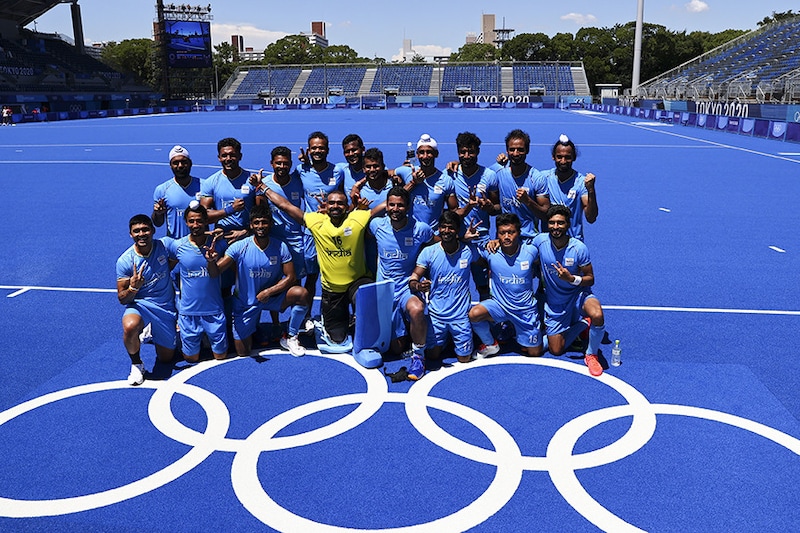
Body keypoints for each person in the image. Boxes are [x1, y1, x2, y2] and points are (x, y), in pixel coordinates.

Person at [263, 187, 384, 345]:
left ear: (347, 207)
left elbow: (389, 204)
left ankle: (360, 321)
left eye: (340, 203)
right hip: (332, 291)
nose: (335, 206)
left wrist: (411, 184)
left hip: (357, 283)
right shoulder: (316, 221)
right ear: (325, 206)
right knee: (338, 338)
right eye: (331, 203)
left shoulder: (357, 218)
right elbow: (286, 206)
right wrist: (262, 188)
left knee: (365, 296)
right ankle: (339, 320)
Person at [215, 204, 311, 357]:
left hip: (270, 299)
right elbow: (216, 270)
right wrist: (210, 261)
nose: (261, 226)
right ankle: (252, 326)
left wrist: (268, 292)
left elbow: (291, 277)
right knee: (243, 352)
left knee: (301, 293)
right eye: (257, 222)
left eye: (264, 222)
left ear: (271, 224)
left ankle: (290, 336)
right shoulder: (239, 246)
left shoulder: (281, 247)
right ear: (251, 225)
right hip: (245, 304)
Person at [369, 186, 434, 379]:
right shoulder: (377, 225)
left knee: (417, 309)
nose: (395, 209)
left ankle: (419, 357)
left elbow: (437, 245)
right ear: (386, 206)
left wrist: (425, 274)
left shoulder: (421, 229)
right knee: (395, 349)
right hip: (384, 290)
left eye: (400, 205)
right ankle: (403, 330)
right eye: (391, 205)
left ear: (408, 207)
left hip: (407, 288)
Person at [533, 205, 606, 376]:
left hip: (578, 296)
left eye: (560, 223)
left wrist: (572, 279)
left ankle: (591, 354)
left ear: (568, 225)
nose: (555, 227)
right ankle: (582, 324)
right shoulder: (540, 241)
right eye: (552, 223)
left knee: (597, 315)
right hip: (555, 303)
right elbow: (520, 250)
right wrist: (496, 242)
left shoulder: (579, 248)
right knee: (556, 350)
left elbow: (591, 278)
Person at [409, 210, 479, 364]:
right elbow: (413, 278)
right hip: (436, 316)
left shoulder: (468, 251)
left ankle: (459, 337)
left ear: (458, 230)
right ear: (438, 229)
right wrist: (418, 286)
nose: (446, 231)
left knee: (464, 359)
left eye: (451, 227)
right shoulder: (428, 252)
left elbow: (486, 260)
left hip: (460, 317)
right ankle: (446, 339)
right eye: (443, 227)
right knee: (432, 356)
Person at [469, 213, 543, 358]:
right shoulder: (491, 252)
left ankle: (549, 335)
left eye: (511, 232)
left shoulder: (531, 251)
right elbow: (465, 249)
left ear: (519, 233)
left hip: (525, 311)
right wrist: (467, 238)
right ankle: (490, 344)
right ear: (497, 234)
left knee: (534, 353)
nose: (507, 237)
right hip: (499, 306)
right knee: (474, 314)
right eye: (502, 233)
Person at [116, 214, 177, 385]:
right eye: (136, 231)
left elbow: (187, 245)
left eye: (145, 229)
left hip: (165, 308)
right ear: (130, 234)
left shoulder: (165, 245)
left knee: (166, 358)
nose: (141, 234)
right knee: (130, 327)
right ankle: (136, 364)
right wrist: (133, 287)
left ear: (153, 231)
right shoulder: (125, 261)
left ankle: (151, 331)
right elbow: (122, 298)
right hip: (141, 305)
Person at [165, 202, 228, 362]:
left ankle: (205, 337)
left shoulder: (218, 244)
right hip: (189, 313)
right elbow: (166, 269)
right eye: (191, 221)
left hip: (214, 311)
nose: (195, 225)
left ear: (206, 221)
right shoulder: (178, 246)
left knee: (220, 357)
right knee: (191, 359)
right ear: (186, 222)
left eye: (199, 220)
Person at [294, 131, 344, 330]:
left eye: (321, 147)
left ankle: (328, 316)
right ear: (308, 150)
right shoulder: (301, 170)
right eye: (313, 148)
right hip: (310, 233)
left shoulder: (338, 171)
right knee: (309, 276)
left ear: (327, 150)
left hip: (332, 233)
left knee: (329, 278)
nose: (317, 151)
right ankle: (303, 317)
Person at [448, 131, 498, 300]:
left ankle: (486, 322)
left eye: (471, 151)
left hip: (482, 240)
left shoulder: (490, 176)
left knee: (484, 288)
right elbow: (451, 212)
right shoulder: (450, 174)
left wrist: (490, 207)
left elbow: (498, 208)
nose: (467, 156)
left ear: (478, 152)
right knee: (455, 286)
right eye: (462, 152)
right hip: (458, 240)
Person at [486, 130, 550, 241]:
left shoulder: (536, 178)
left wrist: (528, 201)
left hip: (529, 239)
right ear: (507, 151)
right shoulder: (496, 171)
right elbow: (474, 171)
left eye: (520, 150)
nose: (515, 154)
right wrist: (457, 164)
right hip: (505, 238)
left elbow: (545, 215)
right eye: (512, 150)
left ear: (527, 150)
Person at [394, 134, 458, 232]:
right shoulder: (406, 172)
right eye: (421, 152)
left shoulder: (446, 180)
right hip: (410, 233)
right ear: (417, 155)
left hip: (434, 236)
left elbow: (453, 211)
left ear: (436, 154)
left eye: (429, 152)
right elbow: (384, 173)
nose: (425, 156)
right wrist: (407, 181)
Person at [200, 137, 257, 246]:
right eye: (224, 155)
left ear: (240, 156)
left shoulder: (251, 181)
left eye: (232, 155)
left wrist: (247, 232)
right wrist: (231, 209)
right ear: (219, 158)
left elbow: (262, 212)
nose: (228, 159)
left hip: (248, 239)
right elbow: (204, 217)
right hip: (222, 239)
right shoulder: (211, 182)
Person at [541, 134, 598, 241]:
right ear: (553, 157)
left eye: (567, 157)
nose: (563, 161)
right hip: (548, 243)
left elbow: (591, 218)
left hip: (573, 241)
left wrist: (591, 190)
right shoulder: (543, 178)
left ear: (574, 158)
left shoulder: (581, 182)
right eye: (559, 157)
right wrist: (503, 166)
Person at [351, 147, 394, 274]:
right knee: (372, 275)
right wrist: (359, 209)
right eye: (368, 167)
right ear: (364, 169)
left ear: (383, 167)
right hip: (370, 244)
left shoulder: (394, 185)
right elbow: (352, 220)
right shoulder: (361, 192)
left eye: (376, 166)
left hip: (392, 241)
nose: (372, 170)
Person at [152, 145, 202, 239]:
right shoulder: (162, 190)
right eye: (176, 163)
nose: (180, 166)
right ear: (170, 165)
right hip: (175, 245)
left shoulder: (204, 186)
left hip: (201, 245)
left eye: (184, 162)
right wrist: (158, 213)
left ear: (190, 163)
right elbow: (157, 223)